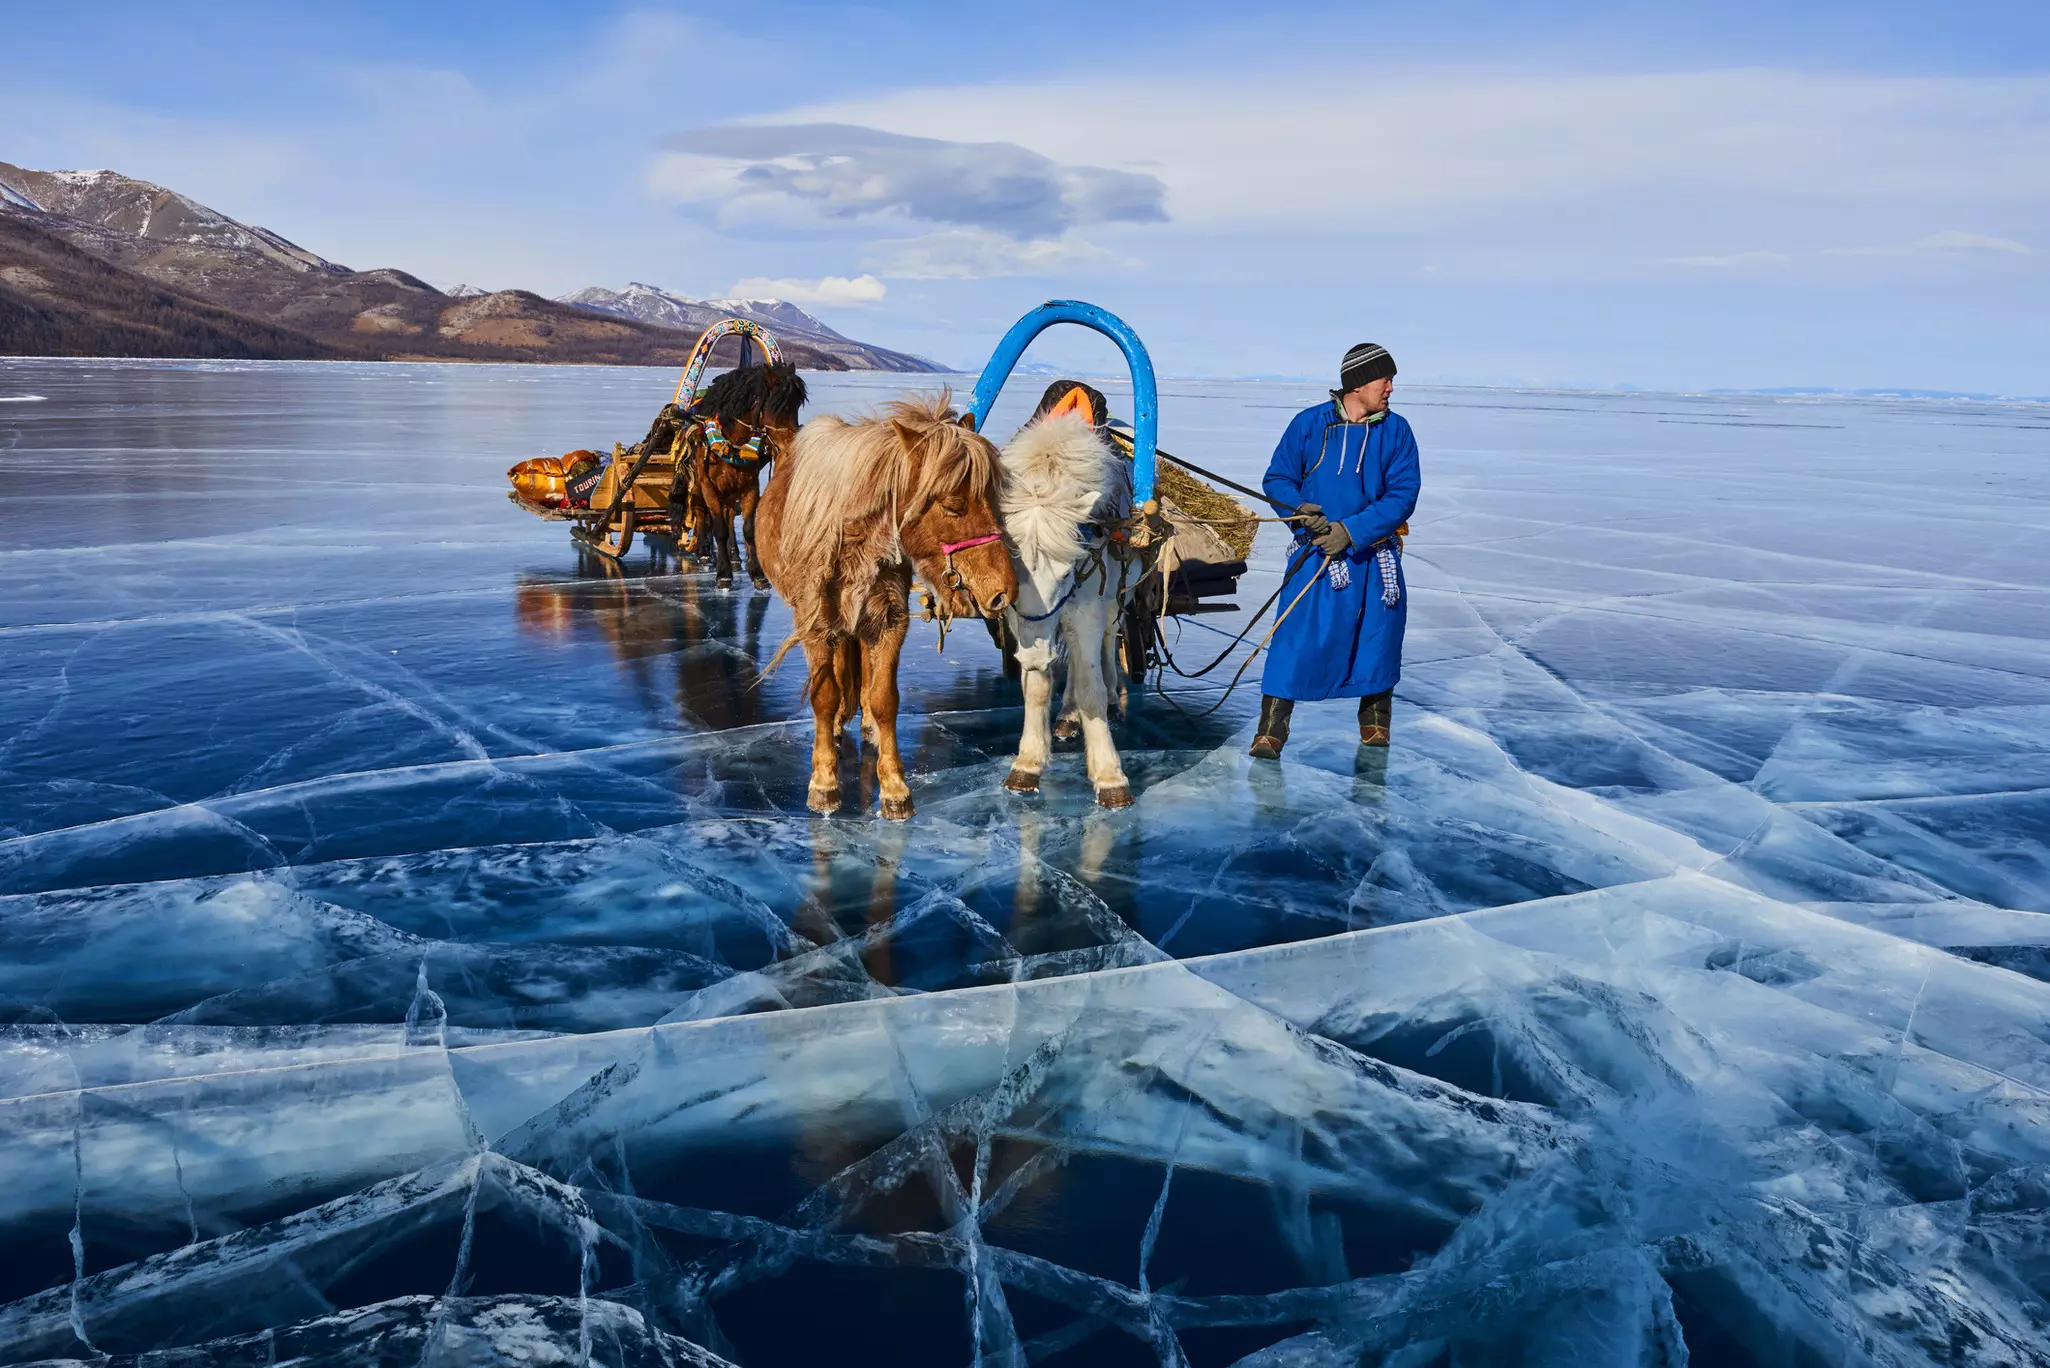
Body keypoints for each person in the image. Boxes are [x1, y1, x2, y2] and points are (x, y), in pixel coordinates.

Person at [1249, 342, 1421, 759]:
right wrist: (1299, 512)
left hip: (1372, 556)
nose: (1391, 388)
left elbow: (1403, 494)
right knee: (1294, 635)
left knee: (1377, 638)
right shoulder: (1309, 425)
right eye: (1386, 379)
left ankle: (1375, 725)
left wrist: (1352, 530)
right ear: (1359, 383)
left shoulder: (1396, 432)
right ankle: (1271, 730)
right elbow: (1278, 479)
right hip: (1316, 554)